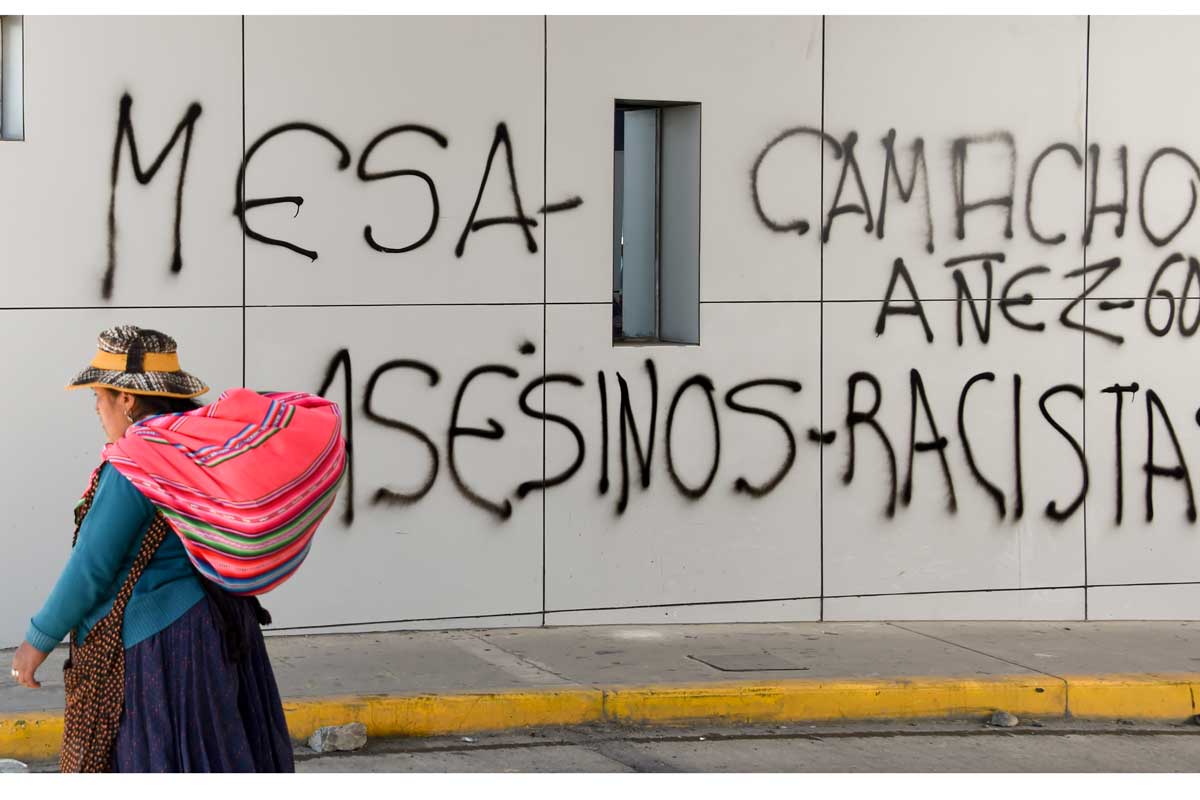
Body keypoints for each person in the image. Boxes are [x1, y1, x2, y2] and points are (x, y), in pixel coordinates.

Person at [8, 325, 295, 772]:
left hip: (161, 642)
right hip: (213, 625)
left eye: (98, 398)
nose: (98, 410)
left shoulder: (138, 461)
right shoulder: (195, 443)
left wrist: (38, 639)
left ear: (126, 398)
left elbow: (93, 566)